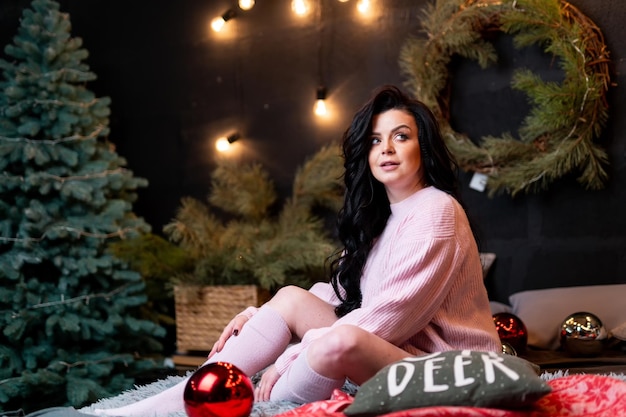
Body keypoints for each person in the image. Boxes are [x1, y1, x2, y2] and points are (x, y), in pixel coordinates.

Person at [96, 85, 500, 416]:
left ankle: (267, 404)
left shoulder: (436, 211)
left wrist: (291, 353)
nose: (386, 149)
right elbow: (345, 298)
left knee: (338, 343)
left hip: (446, 367)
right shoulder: (381, 217)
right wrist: (268, 315)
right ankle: (157, 407)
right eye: (375, 140)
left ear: (422, 147)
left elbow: (389, 315)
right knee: (292, 297)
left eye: (401, 136)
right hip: (401, 348)